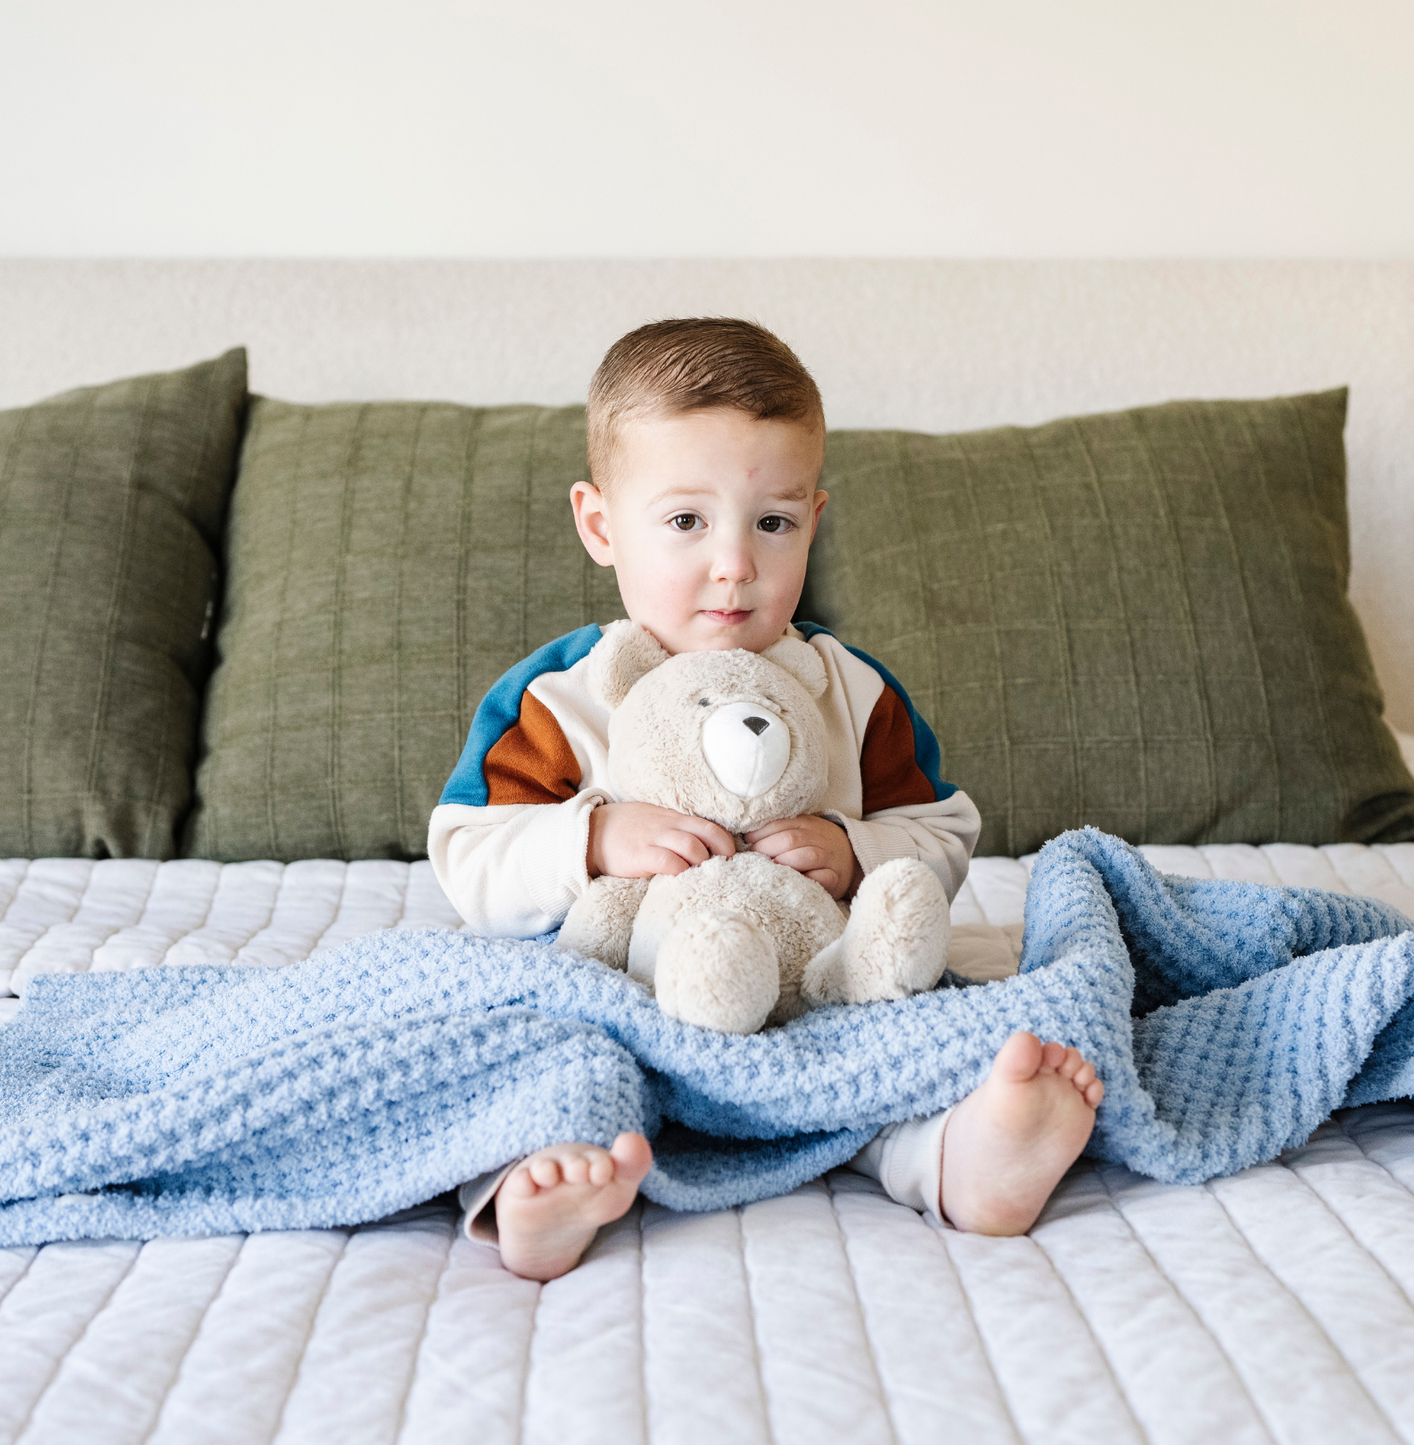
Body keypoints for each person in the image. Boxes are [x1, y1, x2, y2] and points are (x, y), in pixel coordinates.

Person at [428, 318, 1103, 1281]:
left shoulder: (845, 687)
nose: (735, 562)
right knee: (526, 1061)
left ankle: (964, 1159)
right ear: (599, 523)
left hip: (810, 988)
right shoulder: (558, 696)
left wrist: (853, 847)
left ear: (812, 521)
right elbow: (467, 856)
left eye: (772, 522)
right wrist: (592, 839)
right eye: (686, 521)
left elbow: (945, 829)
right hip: (622, 996)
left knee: (898, 1046)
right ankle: (540, 1190)